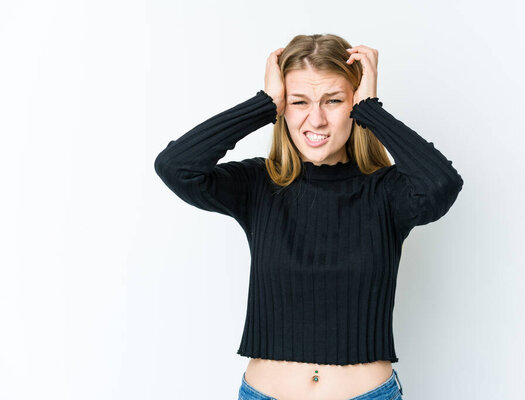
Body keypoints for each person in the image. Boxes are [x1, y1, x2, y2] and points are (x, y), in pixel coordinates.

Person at [154, 34, 464, 400]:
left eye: (334, 100)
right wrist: (264, 104)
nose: (315, 119)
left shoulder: (387, 192)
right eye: (299, 101)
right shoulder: (258, 184)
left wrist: (372, 110)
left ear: (355, 103)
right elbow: (176, 167)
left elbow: (442, 184)